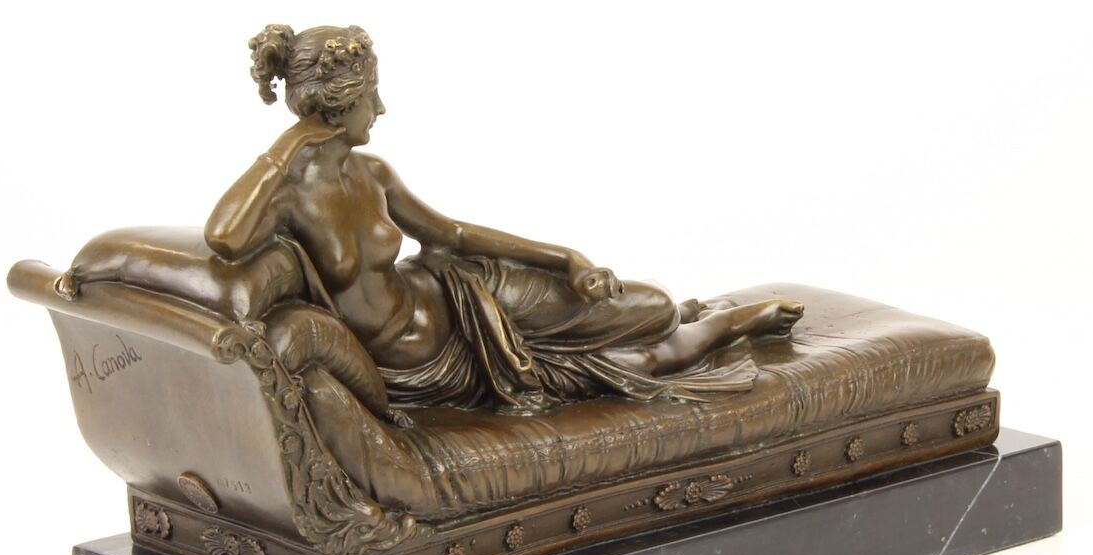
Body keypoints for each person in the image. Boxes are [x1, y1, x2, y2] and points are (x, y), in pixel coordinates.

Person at [201, 24, 803, 412]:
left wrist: (567, 259)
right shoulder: (288, 191)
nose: (380, 108)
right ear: (336, 106)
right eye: (368, 97)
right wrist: (289, 144)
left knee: (651, 307)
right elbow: (224, 238)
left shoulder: (371, 173)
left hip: (463, 293)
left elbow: (454, 235)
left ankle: (685, 316)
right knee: (625, 365)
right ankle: (727, 325)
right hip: (435, 362)